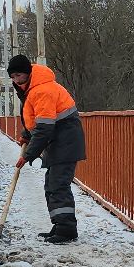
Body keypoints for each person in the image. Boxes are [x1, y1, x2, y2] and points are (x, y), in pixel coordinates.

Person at [8, 55, 84, 244]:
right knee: (51, 184)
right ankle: (60, 225)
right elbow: (35, 118)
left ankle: (66, 230)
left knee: (58, 185)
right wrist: (26, 134)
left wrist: (28, 154)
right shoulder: (31, 89)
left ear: (27, 73)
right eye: (13, 77)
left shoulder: (42, 91)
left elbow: (44, 128)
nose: (16, 80)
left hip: (65, 142)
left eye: (18, 75)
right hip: (58, 142)